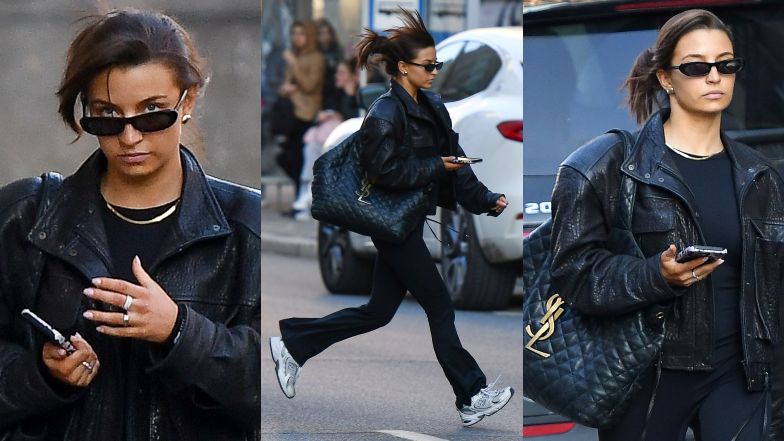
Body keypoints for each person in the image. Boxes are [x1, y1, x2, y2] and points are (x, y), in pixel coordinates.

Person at [0, 9, 260, 440]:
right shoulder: (25, 218)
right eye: (106, 115)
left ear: (187, 102)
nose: (129, 137)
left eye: (152, 112)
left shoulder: (246, 228)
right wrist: (41, 375)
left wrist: (180, 331)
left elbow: (274, 383)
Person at [268, 9, 513, 427]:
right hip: (392, 225)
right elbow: (384, 173)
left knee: (378, 312)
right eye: (428, 65)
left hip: (409, 220)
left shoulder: (432, 106)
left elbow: (454, 162)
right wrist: (435, 167)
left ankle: (294, 343)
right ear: (403, 67)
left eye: (437, 64)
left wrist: (486, 199)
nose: (434, 72)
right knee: (439, 303)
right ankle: (471, 394)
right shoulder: (384, 114)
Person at [549, 9, 781, 441]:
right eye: (696, 67)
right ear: (666, 78)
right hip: (645, 371)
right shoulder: (606, 165)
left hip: (739, 375)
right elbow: (572, 273)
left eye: (726, 64)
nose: (714, 76)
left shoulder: (761, 176)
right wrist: (655, 275)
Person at [291, 57, 360, 220]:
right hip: (326, 139)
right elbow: (322, 114)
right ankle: (307, 191)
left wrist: (350, 97)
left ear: (353, 76)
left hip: (345, 142)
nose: (338, 76)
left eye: (342, 73)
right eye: (338, 72)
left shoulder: (358, 94)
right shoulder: (334, 93)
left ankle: (309, 193)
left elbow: (356, 120)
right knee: (311, 148)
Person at [275, 20, 325, 202]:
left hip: (307, 114)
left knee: (301, 158)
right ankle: (300, 195)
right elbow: (285, 85)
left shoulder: (316, 58)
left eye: (301, 34)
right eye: (294, 33)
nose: (297, 38)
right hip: (292, 114)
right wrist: (285, 89)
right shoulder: (296, 56)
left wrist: (294, 64)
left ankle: (303, 197)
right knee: (287, 156)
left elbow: (310, 85)